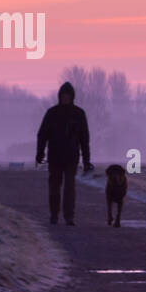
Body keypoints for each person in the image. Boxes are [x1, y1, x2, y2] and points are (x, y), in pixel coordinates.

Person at [36, 81, 93, 224]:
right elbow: (42, 134)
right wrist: (40, 153)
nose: (65, 98)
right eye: (63, 95)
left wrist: (86, 160)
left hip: (71, 157)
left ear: (72, 97)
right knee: (54, 187)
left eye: (67, 96)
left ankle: (69, 216)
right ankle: (54, 214)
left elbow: (84, 139)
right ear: (60, 96)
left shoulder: (78, 114)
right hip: (55, 156)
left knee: (69, 188)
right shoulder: (52, 113)